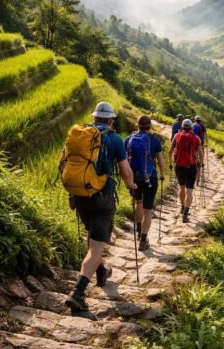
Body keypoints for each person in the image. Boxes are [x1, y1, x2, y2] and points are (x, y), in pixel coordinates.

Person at [64, 102, 137, 316]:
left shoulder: (79, 134)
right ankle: (77, 293)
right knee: (97, 246)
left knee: (93, 236)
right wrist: (132, 185)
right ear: (111, 120)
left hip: (79, 195)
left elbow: (66, 163)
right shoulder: (114, 138)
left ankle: (101, 272)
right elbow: (125, 170)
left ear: (94, 117)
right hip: (102, 197)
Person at [124, 115, 166, 251]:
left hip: (134, 178)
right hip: (150, 178)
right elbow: (160, 160)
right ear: (150, 126)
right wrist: (163, 174)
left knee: (138, 203)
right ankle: (143, 239)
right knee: (148, 211)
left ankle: (138, 230)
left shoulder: (129, 139)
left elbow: (124, 160)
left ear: (137, 125)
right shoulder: (154, 140)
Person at [169, 119, 204, 223]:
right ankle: (185, 214)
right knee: (189, 191)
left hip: (179, 166)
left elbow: (170, 151)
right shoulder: (196, 138)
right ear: (192, 128)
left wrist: (171, 163)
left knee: (182, 188)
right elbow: (201, 154)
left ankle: (182, 207)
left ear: (182, 126)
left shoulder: (176, 136)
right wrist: (201, 164)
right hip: (191, 167)